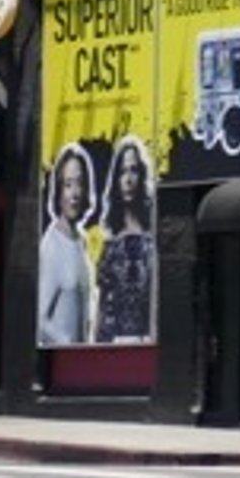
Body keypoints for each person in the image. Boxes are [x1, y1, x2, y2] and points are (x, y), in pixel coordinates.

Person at [95, 135, 156, 344]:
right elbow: (102, 309)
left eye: (133, 170)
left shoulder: (154, 241)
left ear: (142, 175)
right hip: (114, 345)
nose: (128, 180)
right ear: (115, 180)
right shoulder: (110, 245)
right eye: (122, 172)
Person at [38, 143, 95, 347]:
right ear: (59, 190)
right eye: (68, 184)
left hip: (84, 365)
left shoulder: (82, 241)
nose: (74, 194)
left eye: (80, 184)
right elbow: (39, 320)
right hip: (62, 364)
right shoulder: (51, 246)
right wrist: (67, 344)